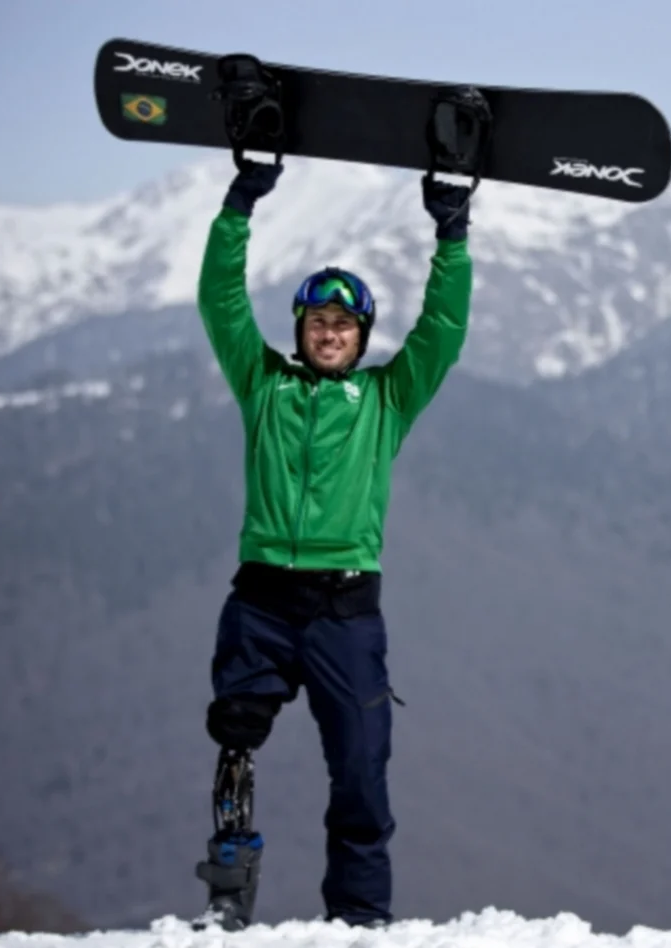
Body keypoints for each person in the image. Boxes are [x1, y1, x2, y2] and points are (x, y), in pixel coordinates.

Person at [189, 158, 473, 931]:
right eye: (317, 322)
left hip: (345, 611)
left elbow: (443, 332)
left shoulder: (386, 398)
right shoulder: (263, 385)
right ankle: (227, 898)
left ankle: (359, 917)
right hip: (260, 602)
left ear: (361, 337)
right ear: (300, 330)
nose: (329, 333)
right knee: (236, 743)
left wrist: (452, 233)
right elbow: (219, 300)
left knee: (360, 769)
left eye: (344, 325)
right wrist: (240, 201)